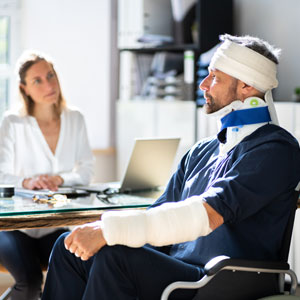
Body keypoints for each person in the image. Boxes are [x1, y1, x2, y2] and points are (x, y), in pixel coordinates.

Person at [42, 34, 300, 300]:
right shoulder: (201, 151)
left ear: (247, 86)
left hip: (224, 278)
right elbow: (161, 213)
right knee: (69, 248)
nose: (203, 84)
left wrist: (109, 231)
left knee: (115, 257)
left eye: (215, 77)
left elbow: (207, 214)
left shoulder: (275, 150)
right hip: (178, 270)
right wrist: (105, 234)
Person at [0, 50, 94, 300]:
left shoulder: (75, 118)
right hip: (12, 228)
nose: (48, 84)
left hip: (54, 223)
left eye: (50, 75)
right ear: (24, 88)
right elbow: (1, 176)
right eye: (37, 80)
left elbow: (86, 171)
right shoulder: (13, 122)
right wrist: (27, 182)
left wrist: (60, 179)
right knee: (30, 282)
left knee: (81, 269)